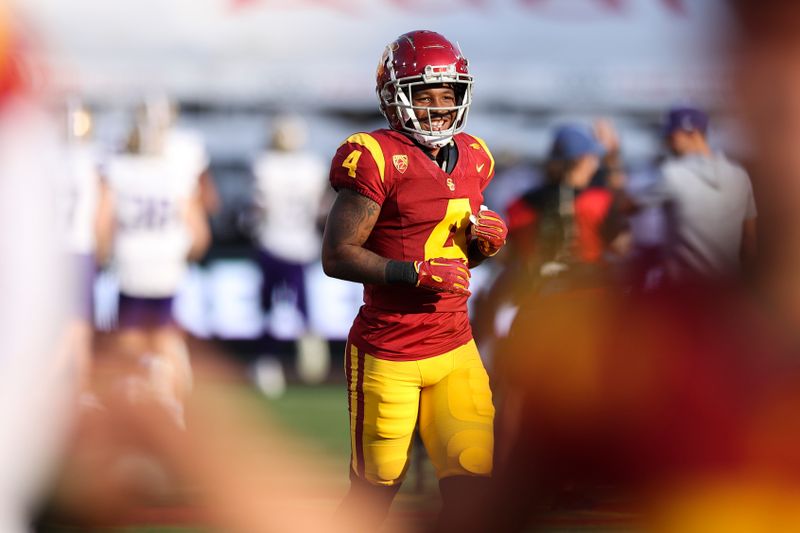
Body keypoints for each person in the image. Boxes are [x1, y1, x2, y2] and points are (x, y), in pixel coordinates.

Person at [321, 30, 507, 530]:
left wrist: (481, 247)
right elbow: (337, 255)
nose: (439, 107)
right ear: (394, 96)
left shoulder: (475, 155)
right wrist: (411, 273)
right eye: (425, 95)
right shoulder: (375, 156)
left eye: (449, 95)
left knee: (472, 481)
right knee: (376, 491)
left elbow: (454, 265)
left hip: (455, 346)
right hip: (390, 349)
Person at [95, 100, 211, 427]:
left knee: (129, 346)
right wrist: (182, 254)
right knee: (167, 343)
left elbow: (103, 226)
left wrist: (104, 256)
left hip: (131, 268)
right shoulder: (176, 170)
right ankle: (173, 408)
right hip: (166, 269)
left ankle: (137, 414)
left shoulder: (118, 169)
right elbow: (199, 235)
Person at [628, 106, 758, 285]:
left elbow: (627, 207)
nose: (667, 143)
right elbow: (749, 241)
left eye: (672, 136)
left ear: (694, 133)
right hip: (728, 290)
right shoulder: (739, 175)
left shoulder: (672, 174)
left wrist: (612, 160)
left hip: (685, 293)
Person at [252, 114, 330, 389]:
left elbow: (258, 208)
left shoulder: (265, 165)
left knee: (268, 309)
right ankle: (308, 357)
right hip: (301, 245)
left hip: (273, 243)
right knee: (301, 308)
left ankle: (268, 363)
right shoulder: (312, 166)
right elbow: (322, 209)